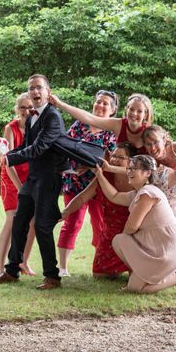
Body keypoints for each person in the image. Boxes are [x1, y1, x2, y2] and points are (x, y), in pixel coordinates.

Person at [0, 74, 69, 290]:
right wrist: (5, 154)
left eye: (39, 88)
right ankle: (11, 271)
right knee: (19, 221)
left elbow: (38, 148)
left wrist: (7, 157)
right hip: (32, 178)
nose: (35, 92)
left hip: (49, 179)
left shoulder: (53, 117)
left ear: (48, 91)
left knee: (42, 226)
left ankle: (52, 276)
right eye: (31, 88)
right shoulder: (32, 117)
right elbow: (25, 149)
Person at [94, 155, 176, 294]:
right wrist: (105, 171)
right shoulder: (162, 172)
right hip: (150, 224)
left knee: (122, 241)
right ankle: (175, 275)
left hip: (166, 230)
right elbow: (132, 176)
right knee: (135, 286)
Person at [57, 90, 117, 277]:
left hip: (99, 184)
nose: (100, 106)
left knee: (100, 225)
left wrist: (91, 167)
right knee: (72, 223)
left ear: (113, 110)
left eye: (105, 104)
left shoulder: (112, 133)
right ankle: (63, 268)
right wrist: (71, 167)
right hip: (74, 181)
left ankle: (100, 265)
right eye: (98, 102)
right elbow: (65, 146)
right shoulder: (79, 125)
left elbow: (112, 160)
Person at [60, 143, 136, 278]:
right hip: (110, 230)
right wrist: (65, 212)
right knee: (99, 275)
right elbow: (83, 196)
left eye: (121, 157)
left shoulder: (137, 177)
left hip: (133, 232)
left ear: (131, 161)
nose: (115, 160)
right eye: (113, 156)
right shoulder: (104, 175)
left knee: (135, 275)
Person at [0, 93, 37, 279]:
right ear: (16, 109)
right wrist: (21, 188)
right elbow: (8, 161)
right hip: (11, 178)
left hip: (31, 178)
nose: (26, 111)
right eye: (22, 108)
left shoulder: (37, 126)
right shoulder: (11, 129)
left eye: (29, 107)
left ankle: (22, 262)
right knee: (12, 220)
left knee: (33, 222)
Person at [49, 92, 153, 152]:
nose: (134, 113)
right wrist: (60, 104)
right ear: (126, 110)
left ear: (146, 114)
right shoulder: (119, 124)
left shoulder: (151, 133)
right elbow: (88, 117)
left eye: (139, 111)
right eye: (131, 109)